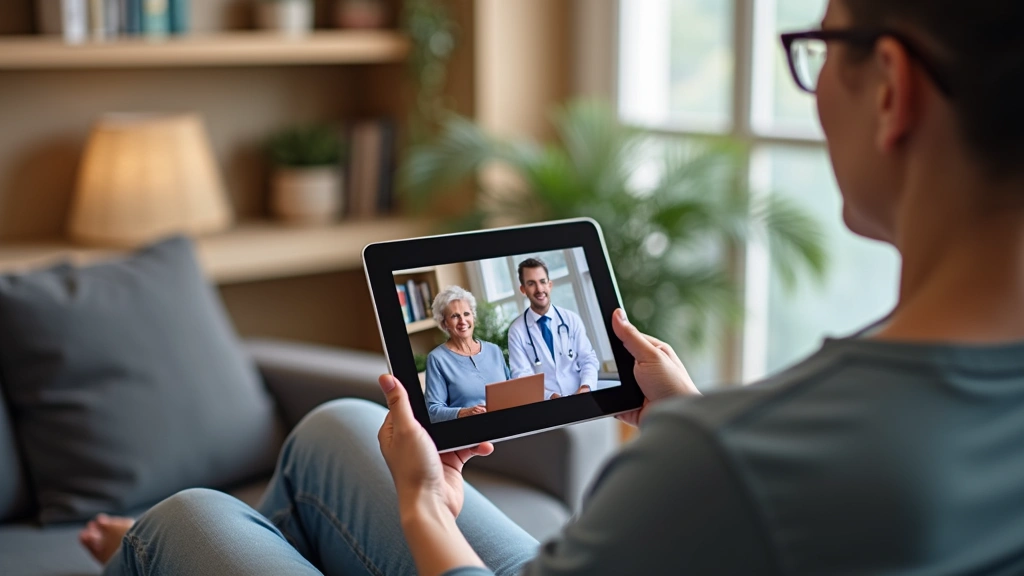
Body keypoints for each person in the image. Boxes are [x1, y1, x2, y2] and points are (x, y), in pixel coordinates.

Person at [81, 0, 1024, 573]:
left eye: (819, 52)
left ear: (892, 88)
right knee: (335, 428)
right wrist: (687, 416)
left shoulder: (733, 465)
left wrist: (421, 506)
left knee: (185, 520)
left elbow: (755, 493)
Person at [506, 258, 600, 399]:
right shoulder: (516, 330)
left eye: (542, 282)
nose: (539, 289)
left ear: (550, 284)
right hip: (546, 403)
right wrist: (551, 396)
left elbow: (588, 359)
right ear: (523, 289)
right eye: (531, 284)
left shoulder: (571, 319)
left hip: (582, 397)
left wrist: (585, 388)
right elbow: (522, 376)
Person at [424, 285, 511, 422]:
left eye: (466, 314)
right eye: (455, 316)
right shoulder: (437, 359)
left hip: (507, 423)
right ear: (444, 323)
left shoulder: (494, 350)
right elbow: (433, 411)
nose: (463, 321)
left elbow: (512, 390)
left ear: (473, 316)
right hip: (472, 432)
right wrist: (464, 412)